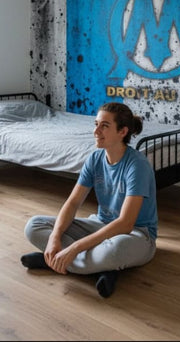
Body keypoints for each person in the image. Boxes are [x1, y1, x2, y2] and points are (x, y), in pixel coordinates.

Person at [21, 102, 158, 298]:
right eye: (96, 124)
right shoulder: (95, 159)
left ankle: (52, 261)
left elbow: (125, 224)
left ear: (122, 132)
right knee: (34, 225)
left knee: (114, 251)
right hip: (100, 224)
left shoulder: (137, 165)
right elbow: (73, 203)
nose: (96, 131)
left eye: (104, 126)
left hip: (136, 234)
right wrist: (54, 238)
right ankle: (101, 269)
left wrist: (75, 247)